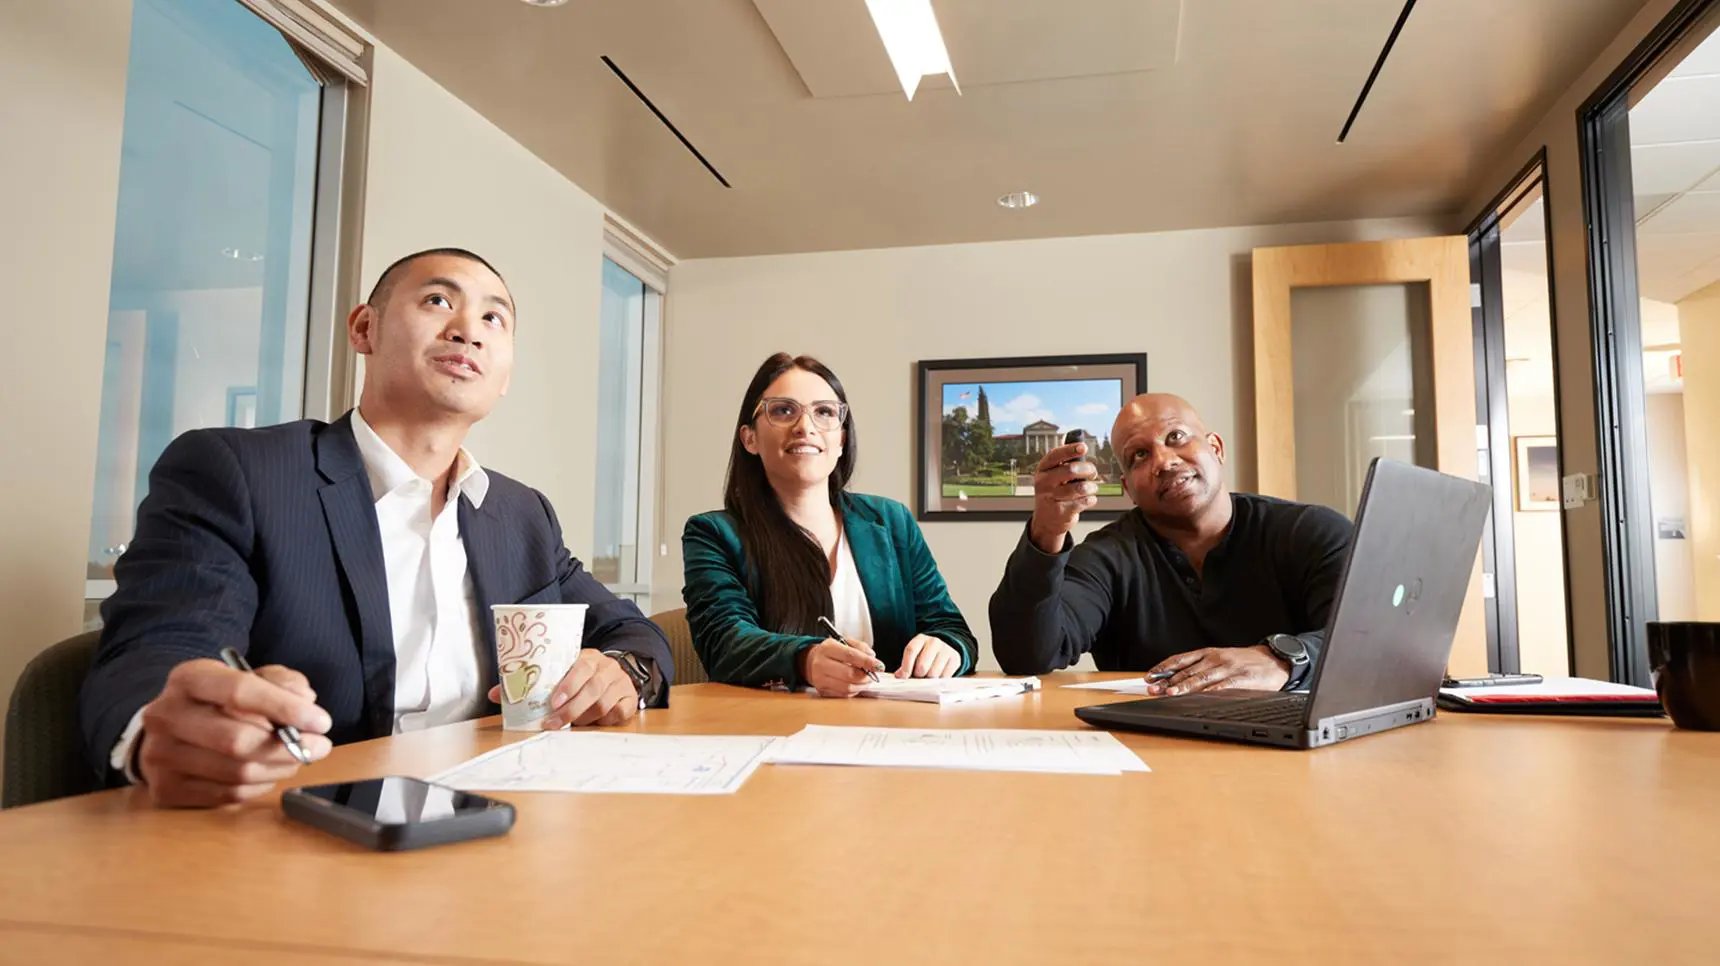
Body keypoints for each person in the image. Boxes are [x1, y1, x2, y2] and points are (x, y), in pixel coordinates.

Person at [80, 248, 672, 807]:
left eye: (494, 317)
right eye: (439, 301)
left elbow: (631, 630)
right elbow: (159, 648)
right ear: (364, 328)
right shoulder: (238, 472)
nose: (468, 329)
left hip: (491, 815)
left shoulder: (522, 515)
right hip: (301, 826)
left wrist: (622, 669)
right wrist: (160, 729)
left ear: (505, 372)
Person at [989, 393, 1351, 694]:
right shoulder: (1107, 557)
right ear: (1129, 489)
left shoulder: (1311, 532)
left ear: (1216, 448)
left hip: (1295, 750)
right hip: (1148, 751)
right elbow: (1027, 655)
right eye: (1139, 456)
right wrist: (1047, 531)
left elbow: (1372, 639)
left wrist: (1282, 659)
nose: (1163, 461)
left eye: (1176, 437)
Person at [683, 353, 977, 695]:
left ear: (841, 439)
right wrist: (805, 659)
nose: (805, 426)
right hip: (771, 730)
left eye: (824, 412)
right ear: (749, 438)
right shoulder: (712, 534)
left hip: (894, 730)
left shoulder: (892, 522)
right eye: (783, 410)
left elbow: (951, 628)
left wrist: (947, 648)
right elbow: (724, 642)